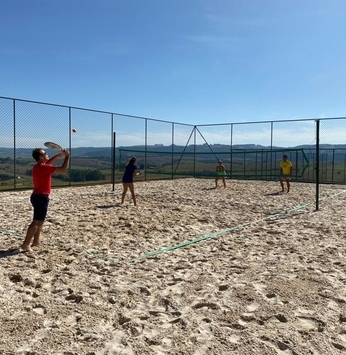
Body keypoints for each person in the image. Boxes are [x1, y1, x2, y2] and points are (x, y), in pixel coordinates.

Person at [20, 148, 70, 254]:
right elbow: (63, 169)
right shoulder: (44, 167)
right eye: (45, 153)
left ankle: (36, 242)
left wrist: (57, 156)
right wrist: (67, 157)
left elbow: (47, 162)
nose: (47, 155)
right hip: (41, 197)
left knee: (40, 221)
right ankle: (25, 244)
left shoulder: (37, 166)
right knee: (36, 222)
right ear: (41, 157)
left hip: (37, 196)